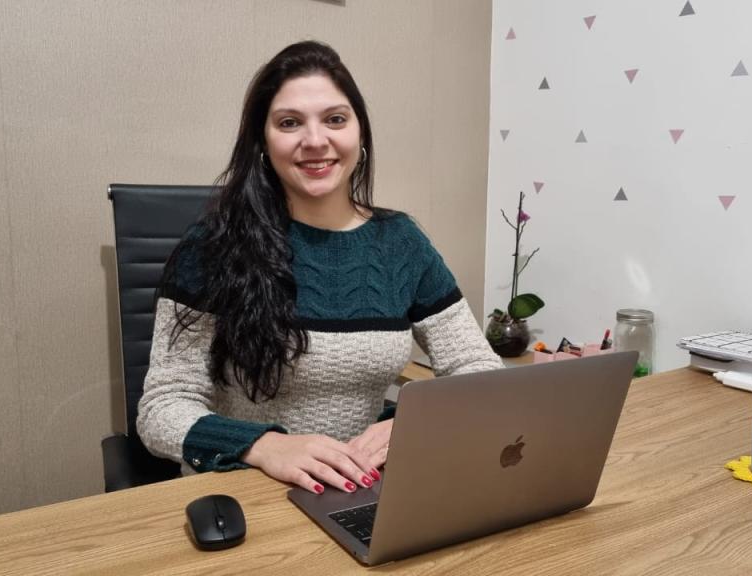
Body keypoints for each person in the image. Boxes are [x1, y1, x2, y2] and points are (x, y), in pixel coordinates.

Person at [136, 41, 502, 496]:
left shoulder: (401, 242)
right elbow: (162, 409)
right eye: (289, 123)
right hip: (246, 492)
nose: (314, 140)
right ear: (263, 141)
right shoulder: (213, 245)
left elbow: (477, 366)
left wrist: (418, 422)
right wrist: (264, 446)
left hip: (362, 492)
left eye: (335, 119)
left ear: (360, 134)